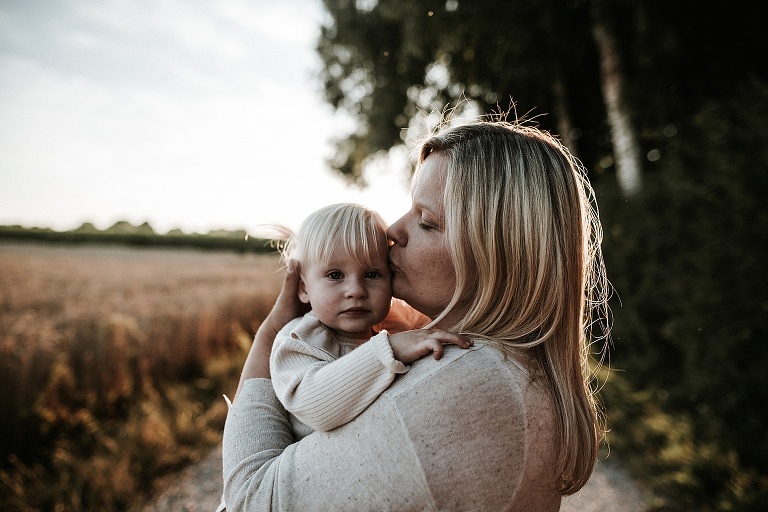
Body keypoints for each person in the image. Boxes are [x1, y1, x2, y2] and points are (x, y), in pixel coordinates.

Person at [222, 119, 610, 511]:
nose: (392, 230)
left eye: (426, 221)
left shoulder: (465, 389)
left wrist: (271, 333)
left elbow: (249, 501)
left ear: (497, 252)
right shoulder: (503, 370)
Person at [268, 202, 471, 439]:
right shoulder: (299, 339)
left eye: (372, 274)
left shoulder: (390, 330)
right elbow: (313, 406)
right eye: (335, 275)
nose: (356, 290)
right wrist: (391, 349)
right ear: (303, 288)